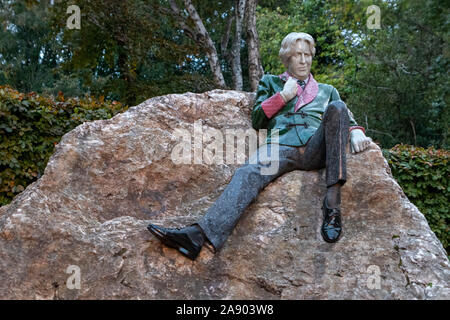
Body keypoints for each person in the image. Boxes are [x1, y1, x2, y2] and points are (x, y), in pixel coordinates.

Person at [148, 32, 372, 260]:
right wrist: (283, 96)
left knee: (337, 107)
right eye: (297, 55)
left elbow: (343, 118)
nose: (303, 60)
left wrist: (354, 133)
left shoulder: (327, 90)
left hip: (316, 146)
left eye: (307, 55)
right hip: (281, 145)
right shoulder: (271, 83)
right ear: (287, 58)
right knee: (248, 171)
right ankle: (198, 236)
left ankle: (332, 206)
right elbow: (258, 119)